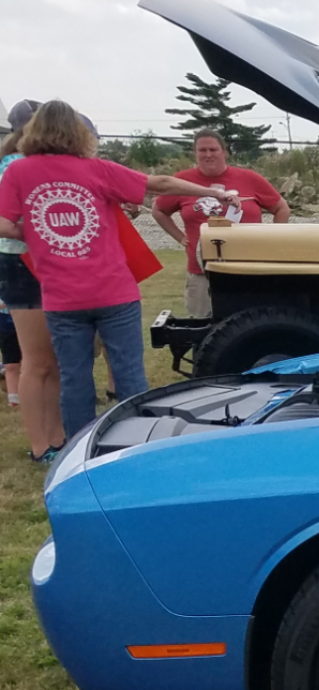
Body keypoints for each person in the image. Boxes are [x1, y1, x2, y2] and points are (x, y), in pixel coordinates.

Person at [0, 102, 238, 442]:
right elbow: (161, 183)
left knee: (74, 377)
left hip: (61, 298)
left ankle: (81, 446)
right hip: (114, 292)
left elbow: (4, 223)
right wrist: (212, 192)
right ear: (78, 132)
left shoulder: (17, 172)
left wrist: (32, 233)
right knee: (129, 376)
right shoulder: (97, 169)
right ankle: (135, 443)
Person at [151, 128, 288, 319]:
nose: (208, 154)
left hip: (248, 270)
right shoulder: (182, 181)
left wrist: (269, 240)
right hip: (202, 272)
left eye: (213, 149)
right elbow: (159, 210)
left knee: (250, 325)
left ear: (225, 152)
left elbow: (281, 208)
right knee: (203, 329)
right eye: (202, 150)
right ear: (195, 153)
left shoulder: (249, 178)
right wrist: (180, 237)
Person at [0, 99, 63, 460]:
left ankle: (56, 433)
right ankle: (40, 443)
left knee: (52, 359)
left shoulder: (43, 164)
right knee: (35, 359)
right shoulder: (12, 166)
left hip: (48, 262)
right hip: (20, 264)